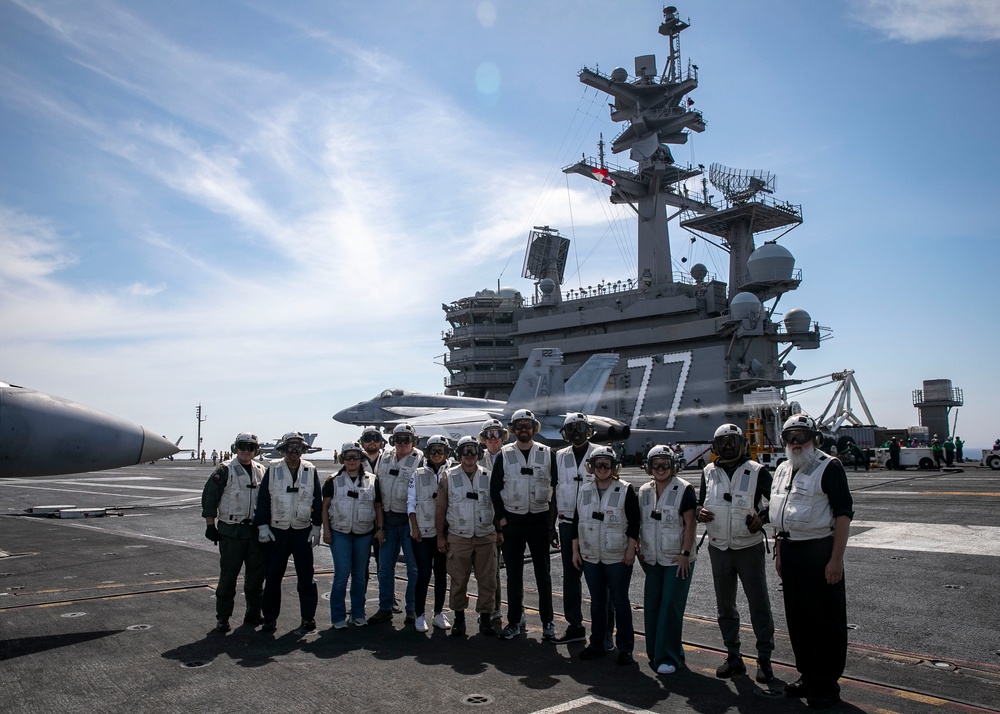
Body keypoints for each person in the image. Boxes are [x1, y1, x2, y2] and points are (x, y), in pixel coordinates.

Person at [771, 414, 854, 710]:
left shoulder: (829, 467)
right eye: (791, 436)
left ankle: (827, 686)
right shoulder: (782, 469)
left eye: (802, 436)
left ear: (814, 438)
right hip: (791, 552)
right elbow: (779, 518)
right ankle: (808, 676)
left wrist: (836, 560)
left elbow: (843, 515)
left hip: (820, 551)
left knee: (826, 621)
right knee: (798, 619)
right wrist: (780, 554)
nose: (796, 442)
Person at [696, 424, 775, 683]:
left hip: (748, 548)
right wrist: (699, 512)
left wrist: (761, 518)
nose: (728, 446)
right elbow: (702, 502)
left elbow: (777, 503)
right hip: (719, 547)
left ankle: (764, 658)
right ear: (716, 447)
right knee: (725, 605)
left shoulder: (757, 471)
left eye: (732, 441)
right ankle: (733, 655)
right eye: (723, 442)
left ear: (742, 443)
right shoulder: (708, 472)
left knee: (759, 604)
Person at [489, 408, 557, 640]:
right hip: (514, 521)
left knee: (543, 574)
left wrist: (551, 524)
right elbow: (494, 489)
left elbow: (556, 489)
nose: (523, 429)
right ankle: (514, 621)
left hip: (539, 520)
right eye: (519, 426)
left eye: (527, 425)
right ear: (513, 430)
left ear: (534, 428)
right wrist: (502, 519)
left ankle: (548, 621)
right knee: (514, 575)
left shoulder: (547, 453)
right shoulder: (505, 455)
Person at [571, 446, 640, 665]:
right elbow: (575, 522)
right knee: (597, 602)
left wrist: (631, 550)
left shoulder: (625, 489)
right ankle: (598, 644)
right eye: (598, 464)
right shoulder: (584, 490)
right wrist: (575, 551)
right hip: (591, 554)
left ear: (613, 467)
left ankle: (625, 648)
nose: (602, 468)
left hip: (617, 556)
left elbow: (634, 522)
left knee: (620, 602)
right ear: (591, 467)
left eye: (606, 464)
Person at [254, 431, 323, 635]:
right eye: (290, 447)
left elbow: (316, 500)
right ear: (283, 449)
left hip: (302, 531)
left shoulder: (310, 470)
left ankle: (308, 617)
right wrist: (263, 525)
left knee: (306, 578)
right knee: (273, 578)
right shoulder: (273, 469)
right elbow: (264, 499)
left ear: (303, 450)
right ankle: (269, 619)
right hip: (278, 531)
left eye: (298, 447)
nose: (294, 451)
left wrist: (317, 525)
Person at [638, 445, 697, 675]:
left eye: (664, 463)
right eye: (656, 464)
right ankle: (655, 652)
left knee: (670, 606)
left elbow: (690, 523)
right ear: (649, 467)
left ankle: (669, 657)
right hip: (651, 558)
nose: (660, 468)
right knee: (652, 605)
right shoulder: (644, 490)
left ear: (672, 465)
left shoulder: (684, 489)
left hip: (677, 558)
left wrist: (685, 554)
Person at [201, 432, 267, 632]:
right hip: (231, 532)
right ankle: (223, 617)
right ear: (235, 448)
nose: (246, 451)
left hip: (255, 533)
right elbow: (210, 497)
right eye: (242, 446)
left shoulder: (261, 471)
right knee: (228, 577)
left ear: (256, 450)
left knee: (256, 577)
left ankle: (253, 613)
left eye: (250, 447)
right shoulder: (225, 469)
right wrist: (210, 525)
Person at [437, 435, 500, 637]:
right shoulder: (449, 476)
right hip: (458, 536)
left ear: (479, 454)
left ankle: (485, 619)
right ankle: (459, 619)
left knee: (488, 580)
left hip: (485, 536)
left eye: (473, 451)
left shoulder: (489, 476)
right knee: (458, 580)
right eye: (465, 451)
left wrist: (499, 531)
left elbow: (497, 506)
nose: (469, 455)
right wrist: (440, 536)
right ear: (459, 454)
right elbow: (440, 508)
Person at [552, 413, 605, 646]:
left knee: (600, 578)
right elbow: (553, 491)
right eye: (571, 428)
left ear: (589, 430)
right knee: (571, 577)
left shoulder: (600, 454)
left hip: (594, 523)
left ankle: (604, 630)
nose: (576, 433)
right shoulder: (559, 457)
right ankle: (575, 625)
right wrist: (550, 525)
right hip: (566, 522)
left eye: (580, 428)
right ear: (564, 432)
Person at [370, 423, 423, 625]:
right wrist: (379, 526)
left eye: (406, 439)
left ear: (413, 441)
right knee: (384, 568)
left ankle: (412, 608)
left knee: (413, 569)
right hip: (388, 523)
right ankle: (385, 607)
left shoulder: (420, 459)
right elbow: (376, 491)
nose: (402, 443)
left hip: (410, 524)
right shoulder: (385, 457)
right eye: (398, 439)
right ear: (393, 440)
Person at [322, 441, 376, 629]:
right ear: (342, 459)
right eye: (347, 457)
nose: (351, 460)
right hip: (340, 533)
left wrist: (380, 529)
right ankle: (337, 616)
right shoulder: (333, 480)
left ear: (361, 459)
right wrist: (326, 531)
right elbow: (325, 507)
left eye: (355, 456)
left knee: (360, 576)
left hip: (364, 533)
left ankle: (358, 614)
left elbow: (377, 506)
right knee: (342, 575)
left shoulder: (372, 480)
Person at [408, 435, 452, 633]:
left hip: (444, 532)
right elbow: (411, 502)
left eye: (440, 451)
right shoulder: (416, 474)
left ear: (446, 453)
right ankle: (419, 615)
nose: (436, 454)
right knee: (424, 574)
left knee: (441, 574)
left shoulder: (452, 473)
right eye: (433, 450)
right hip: (422, 532)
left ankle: (438, 614)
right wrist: (414, 527)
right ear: (427, 453)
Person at [478, 418, 508, 626]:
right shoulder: (478, 460)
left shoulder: (512, 457)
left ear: (503, 437)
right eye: (489, 435)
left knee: (514, 570)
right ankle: (493, 608)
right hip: (488, 521)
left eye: (497, 434)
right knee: (490, 570)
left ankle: (517, 610)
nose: (493, 439)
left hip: (511, 519)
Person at [359, 425, 387, 586]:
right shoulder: (355, 460)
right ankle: (358, 602)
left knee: (384, 563)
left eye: (376, 438)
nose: (372, 442)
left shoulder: (389, 460)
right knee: (361, 565)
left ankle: (388, 600)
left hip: (384, 518)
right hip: (362, 517)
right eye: (368, 438)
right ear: (362, 442)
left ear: (381, 442)